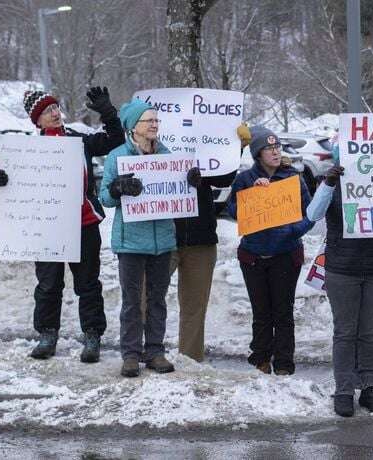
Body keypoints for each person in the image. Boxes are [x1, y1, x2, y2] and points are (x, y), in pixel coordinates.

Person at [0, 88, 123, 363]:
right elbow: (15, 182)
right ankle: (47, 334)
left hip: (83, 223)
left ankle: (92, 336)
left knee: (87, 284)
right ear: (37, 120)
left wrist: (107, 112)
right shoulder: (25, 150)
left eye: (55, 108)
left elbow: (115, 140)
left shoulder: (79, 141)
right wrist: (2, 178)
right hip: (46, 226)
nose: (55, 113)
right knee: (49, 284)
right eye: (47, 111)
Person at [305, 144, 373, 418]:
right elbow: (313, 214)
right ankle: (343, 389)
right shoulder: (331, 182)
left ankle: (370, 389)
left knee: (370, 333)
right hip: (342, 269)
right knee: (345, 332)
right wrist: (329, 183)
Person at [99, 99, 176, 378]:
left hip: (162, 239)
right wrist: (119, 188)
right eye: (149, 121)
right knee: (132, 299)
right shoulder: (117, 157)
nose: (155, 125)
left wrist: (190, 181)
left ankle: (154, 351)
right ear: (134, 127)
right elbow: (105, 197)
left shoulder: (168, 156)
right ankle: (130, 354)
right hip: (130, 240)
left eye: (156, 120)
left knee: (158, 298)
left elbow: (179, 191)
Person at [227, 127, 313, 376]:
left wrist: (293, 231)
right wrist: (253, 195)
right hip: (253, 256)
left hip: (286, 254)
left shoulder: (293, 178)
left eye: (277, 147)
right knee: (261, 311)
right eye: (269, 148)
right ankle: (261, 359)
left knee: (283, 311)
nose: (275, 152)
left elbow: (310, 213)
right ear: (257, 154)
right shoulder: (245, 179)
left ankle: (284, 363)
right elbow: (234, 211)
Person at [167, 123, 251, 362]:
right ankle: (145, 354)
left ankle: (191, 359)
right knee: (147, 299)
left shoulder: (204, 149)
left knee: (195, 306)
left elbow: (224, 176)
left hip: (200, 235)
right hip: (161, 235)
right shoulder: (157, 146)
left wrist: (236, 147)